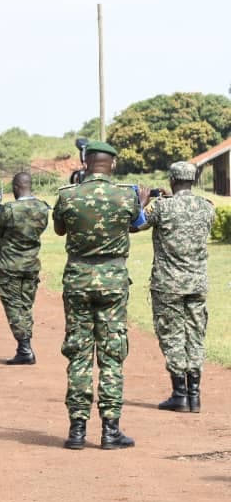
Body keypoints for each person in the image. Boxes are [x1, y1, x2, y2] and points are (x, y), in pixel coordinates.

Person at [52, 141, 140, 450]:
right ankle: (110, 430)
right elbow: (136, 225)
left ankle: (77, 429)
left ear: (86, 163)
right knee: (112, 355)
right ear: (112, 165)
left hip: (77, 279)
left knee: (79, 353)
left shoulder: (67, 196)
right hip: (113, 281)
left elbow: (60, 231)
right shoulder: (126, 196)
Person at [136, 161, 215, 413]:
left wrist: (142, 202)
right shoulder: (207, 207)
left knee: (172, 336)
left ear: (171, 180)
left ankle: (179, 394)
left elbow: (134, 225)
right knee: (195, 335)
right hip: (197, 283)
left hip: (168, 284)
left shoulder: (161, 207)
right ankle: (195, 395)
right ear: (193, 181)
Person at [0, 172, 50, 365]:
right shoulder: (43, 207)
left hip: (10, 267)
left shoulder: (10, 210)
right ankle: (24, 346)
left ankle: (25, 349)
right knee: (25, 305)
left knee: (13, 305)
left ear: (15, 188)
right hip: (31, 265)